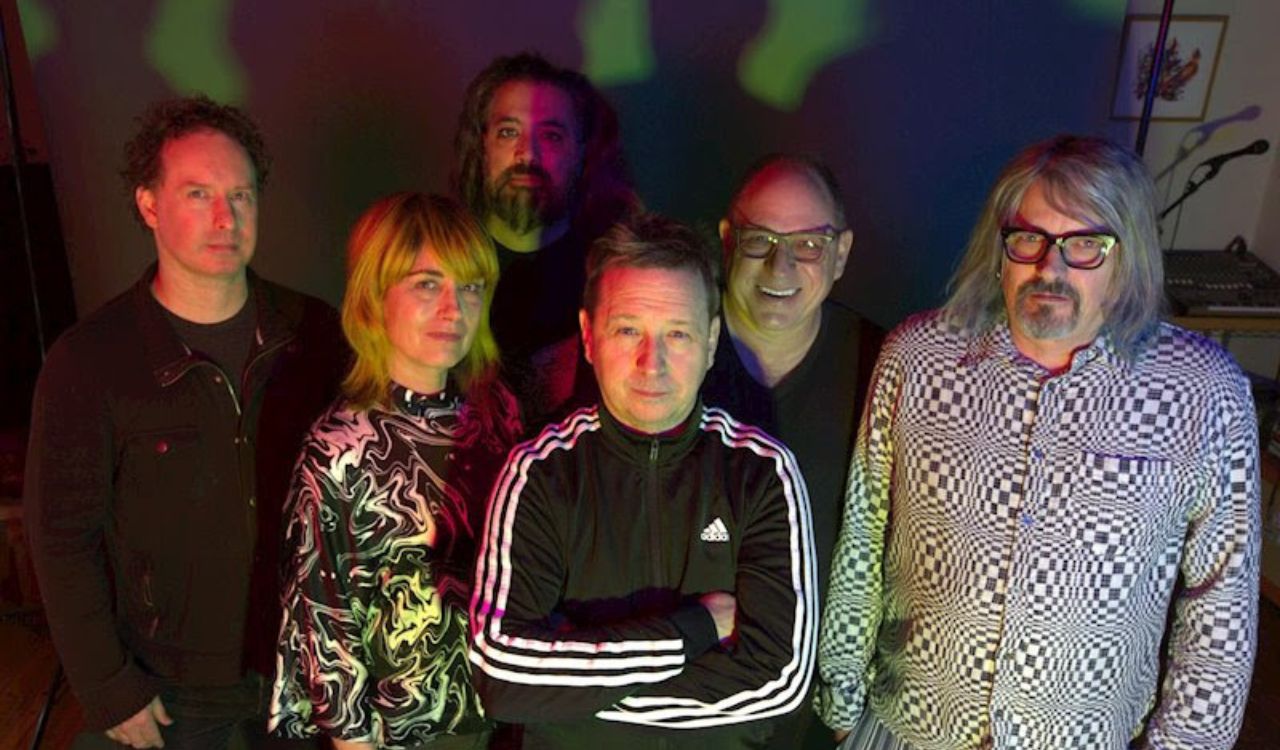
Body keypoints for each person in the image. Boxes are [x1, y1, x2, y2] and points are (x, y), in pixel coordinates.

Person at [817, 135, 1260, 749]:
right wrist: (840, 701)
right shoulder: (917, 358)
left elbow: (1221, 606)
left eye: (1085, 245)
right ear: (998, 248)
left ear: (1125, 256)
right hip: (908, 726)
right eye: (1029, 239)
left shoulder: (1204, 391)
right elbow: (863, 535)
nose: (1051, 269)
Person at [23, 95, 346, 748]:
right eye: (198, 193)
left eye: (242, 194)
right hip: (172, 687)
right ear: (148, 204)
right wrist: (109, 687)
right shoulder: (90, 361)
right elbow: (61, 541)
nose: (225, 217)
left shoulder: (317, 334)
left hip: (304, 671)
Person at [468, 213, 817, 748]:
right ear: (588, 337)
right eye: (627, 329)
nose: (650, 363)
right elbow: (503, 677)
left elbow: (780, 685)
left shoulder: (762, 473)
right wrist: (695, 630)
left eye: (676, 334)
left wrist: (576, 689)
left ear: (710, 341)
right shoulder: (540, 473)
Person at [269, 193, 521, 749]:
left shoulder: (500, 416)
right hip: (403, 735)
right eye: (427, 284)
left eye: (470, 287)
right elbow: (323, 628)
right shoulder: (338, 450)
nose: (454, 309)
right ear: (373, 297)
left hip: (511, 715)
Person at [701, 154, 882, 750]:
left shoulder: (882, 366)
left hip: (815, 713)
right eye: (761, 240)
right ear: (727, 241)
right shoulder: (669, 345)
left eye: (808, 242)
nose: (782, 264)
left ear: (842, 253)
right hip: (683, 696)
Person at [452, 51, 637, 430]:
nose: (527, 153)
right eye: (508, 132)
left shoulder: (615, 280)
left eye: (550, 135)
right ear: (481, 145)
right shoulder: (438, 266)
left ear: (581, 152)